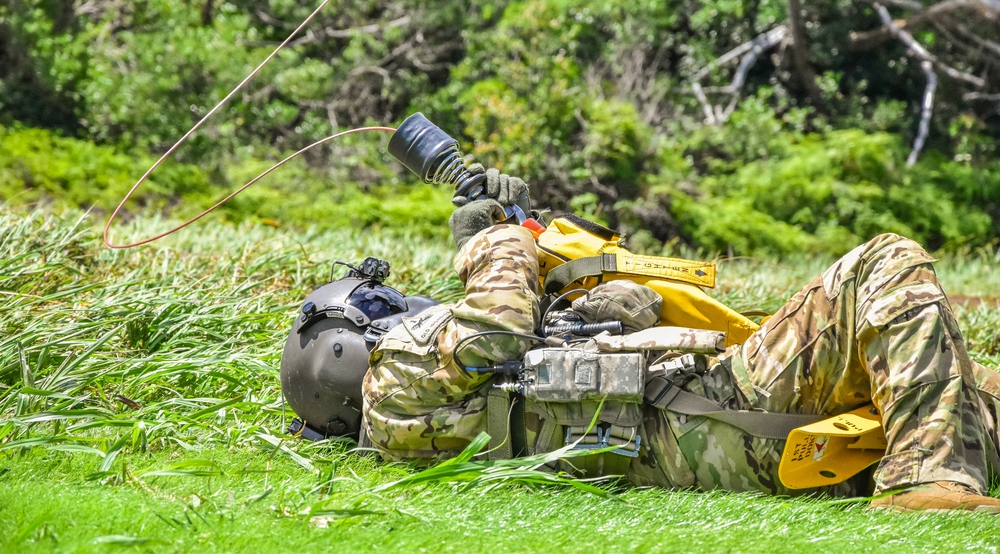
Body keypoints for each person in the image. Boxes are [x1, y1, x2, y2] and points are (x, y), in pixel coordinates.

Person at [285, 170, 1000, 513]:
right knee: (884, 262)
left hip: (710, 424)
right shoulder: (394, 375)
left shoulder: (429, 412)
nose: (405, 306)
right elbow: (499, 323)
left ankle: (936, 466)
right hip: (717, 406)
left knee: (969, 394)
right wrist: (493, 235)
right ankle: (920, 481)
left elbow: (633, 305)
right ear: (349, 347)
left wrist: (558, 254)